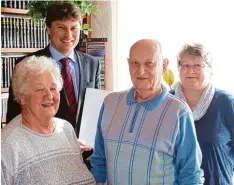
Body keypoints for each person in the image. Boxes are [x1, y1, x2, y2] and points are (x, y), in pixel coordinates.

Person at [90, 39, 204, 185]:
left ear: (163, 66)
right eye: (135, 63)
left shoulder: (179, 112)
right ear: (128, 65)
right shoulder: (110, 103)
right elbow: (99, 160)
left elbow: (190, 175)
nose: (141, 71)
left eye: (149, 64)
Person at [6, 1, 100, 137]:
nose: (68, 35)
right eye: (61, 27)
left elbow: (94, 111)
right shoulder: (26, 64)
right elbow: (15, 116)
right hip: (43, 147)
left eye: (74, 28)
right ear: (48, 29)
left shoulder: (93, 64)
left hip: (86, 152)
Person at [1, 56, 95, 185]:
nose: (49, 96)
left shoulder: (66, 129)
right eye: (40, 89)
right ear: (22, 97)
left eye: (52, 88)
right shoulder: (7, 144)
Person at [170, 43, 234, 185]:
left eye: (197, 65)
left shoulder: (227, 103)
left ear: (209, 70)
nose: (190, 70)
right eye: (185, 65)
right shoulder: (167, 103)